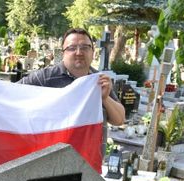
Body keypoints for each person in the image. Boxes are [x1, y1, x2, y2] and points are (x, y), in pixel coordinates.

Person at [18, 28, 125, 159]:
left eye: (85, 47)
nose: (79, 52)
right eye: (72, 48)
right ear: (63, 53)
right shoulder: (44, 78)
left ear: (93, 52)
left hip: (88, 164)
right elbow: (12, 93)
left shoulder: (99, 81)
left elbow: (119, 119)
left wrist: (105, 98)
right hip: (49, 162)